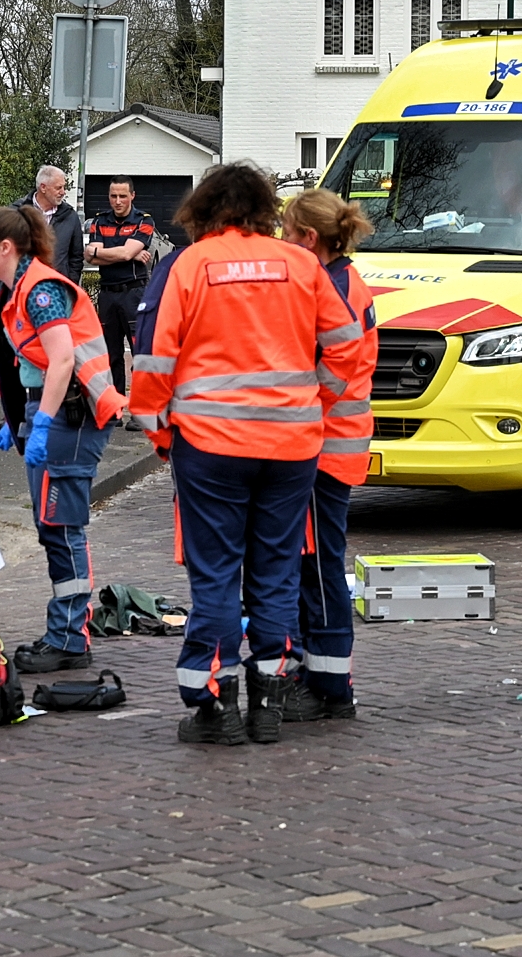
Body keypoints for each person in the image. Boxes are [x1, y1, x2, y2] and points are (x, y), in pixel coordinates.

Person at [130, 163, 364, 746]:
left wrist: (161, 433)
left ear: (204, 210)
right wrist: (313, 400)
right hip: (291, 446)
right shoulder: (301, 265)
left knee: (216, 575)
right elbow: (346, 347)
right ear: (264, 209)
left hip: (210, 445)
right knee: (276, 573)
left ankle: (215, 706)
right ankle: (268, 704)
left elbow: (153, 360)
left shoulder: (190, 265)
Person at [0, 203, 125, 673]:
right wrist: (21, 417)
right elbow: (37, 362)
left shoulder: (39, 291)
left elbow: (61, 360)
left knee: (62, 528)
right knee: (52, 527)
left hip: (72, 417)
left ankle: (70, 638)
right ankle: (65, 632)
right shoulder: (18, 290)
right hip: (56, 412)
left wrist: (40, 421)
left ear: (5, 247)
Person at [277, 189, 378, 724]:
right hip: (333, 443)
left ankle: (332, 688)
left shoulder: (331, 288)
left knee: (317, 569)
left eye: (288, 232)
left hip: (322, 447)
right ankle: (321, 677)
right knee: (312, 565)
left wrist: (296, 410)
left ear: (310, 238)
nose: (282, 241)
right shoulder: (344, 280)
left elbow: (334, 366)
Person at [85, 175, 155, 423]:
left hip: (134, 294)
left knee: (140, 354)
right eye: (113, 196)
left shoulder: (144, 220)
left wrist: (108, 252)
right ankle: (115, 409)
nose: (117, 201)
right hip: (107, 294)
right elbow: (90, 256)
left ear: (132, 196)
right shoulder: (99, 221)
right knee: (111, 355)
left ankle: (140, 412)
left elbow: (119, 253)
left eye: (123, 196)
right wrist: (128, 254)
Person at [19, 165, 85, 284]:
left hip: (58, 288)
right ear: (43, 187)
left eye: (63, 187)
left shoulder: (70, 216)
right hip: (24, 287)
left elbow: (76, 257)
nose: (63, 192)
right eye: (58, 188)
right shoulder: (17, 213)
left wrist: (69, 285)